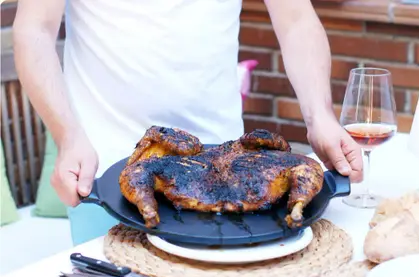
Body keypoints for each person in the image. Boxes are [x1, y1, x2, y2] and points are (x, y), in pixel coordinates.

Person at [13, 0, 363, 245]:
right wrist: (67, 136)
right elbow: (35, 29)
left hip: (233, 176)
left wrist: (320, 117)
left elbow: (296, 20)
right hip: (104, 175)